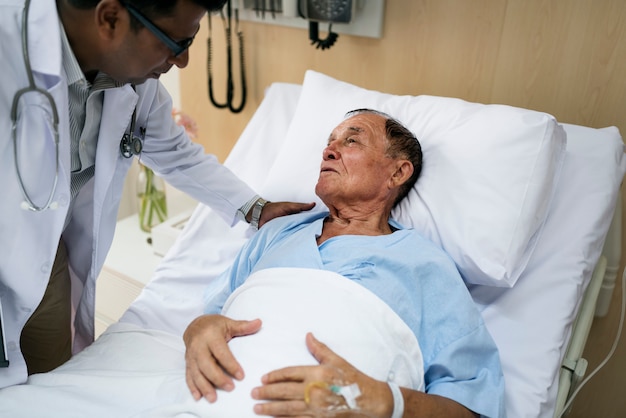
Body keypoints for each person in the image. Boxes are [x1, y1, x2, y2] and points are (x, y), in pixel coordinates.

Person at [0, 0, 313, 388]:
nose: (181, 62)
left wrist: (254, 207)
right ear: (110, 19)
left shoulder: (131, 83)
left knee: (52, 389)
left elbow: (174, 151)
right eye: (177, 43)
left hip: (48, 258)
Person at [183, 109, 506, 418]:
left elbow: (469, 404)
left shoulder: (426, 265)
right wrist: (196, 331)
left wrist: (384, 402)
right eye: (329, 141)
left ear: (397, 172)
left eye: (351, 140)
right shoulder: (278, 232)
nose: (329, 150)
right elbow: (213, 314)